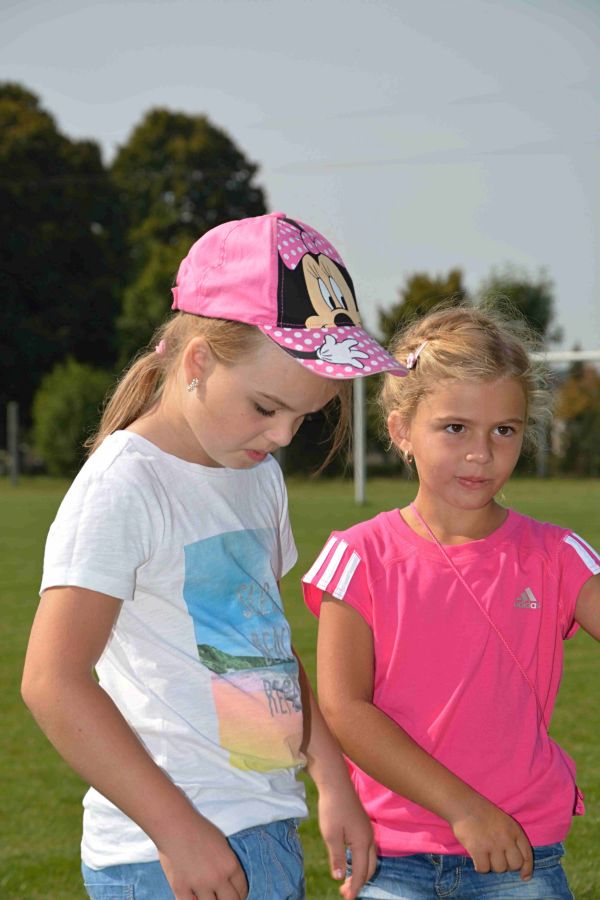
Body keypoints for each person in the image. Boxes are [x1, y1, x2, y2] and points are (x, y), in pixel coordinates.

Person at [22, 211, 409, 900]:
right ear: (198, 361)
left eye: (303, 416)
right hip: (166, 855)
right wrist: (176, 831)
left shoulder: (256, 477)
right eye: (266, 407)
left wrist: (331, 779)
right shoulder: (126, 484)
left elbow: (264, 648)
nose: (283, 435)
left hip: (263, 830)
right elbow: (52, 681)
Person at [302, 306, 600, 899]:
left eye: (504, 430)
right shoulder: (358, 557)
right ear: (401, 430)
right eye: (455, 428)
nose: (481, 453)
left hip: (520, 854)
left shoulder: (555, 555)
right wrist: (464, 809)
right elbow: (344, 709)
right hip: (394, 858)